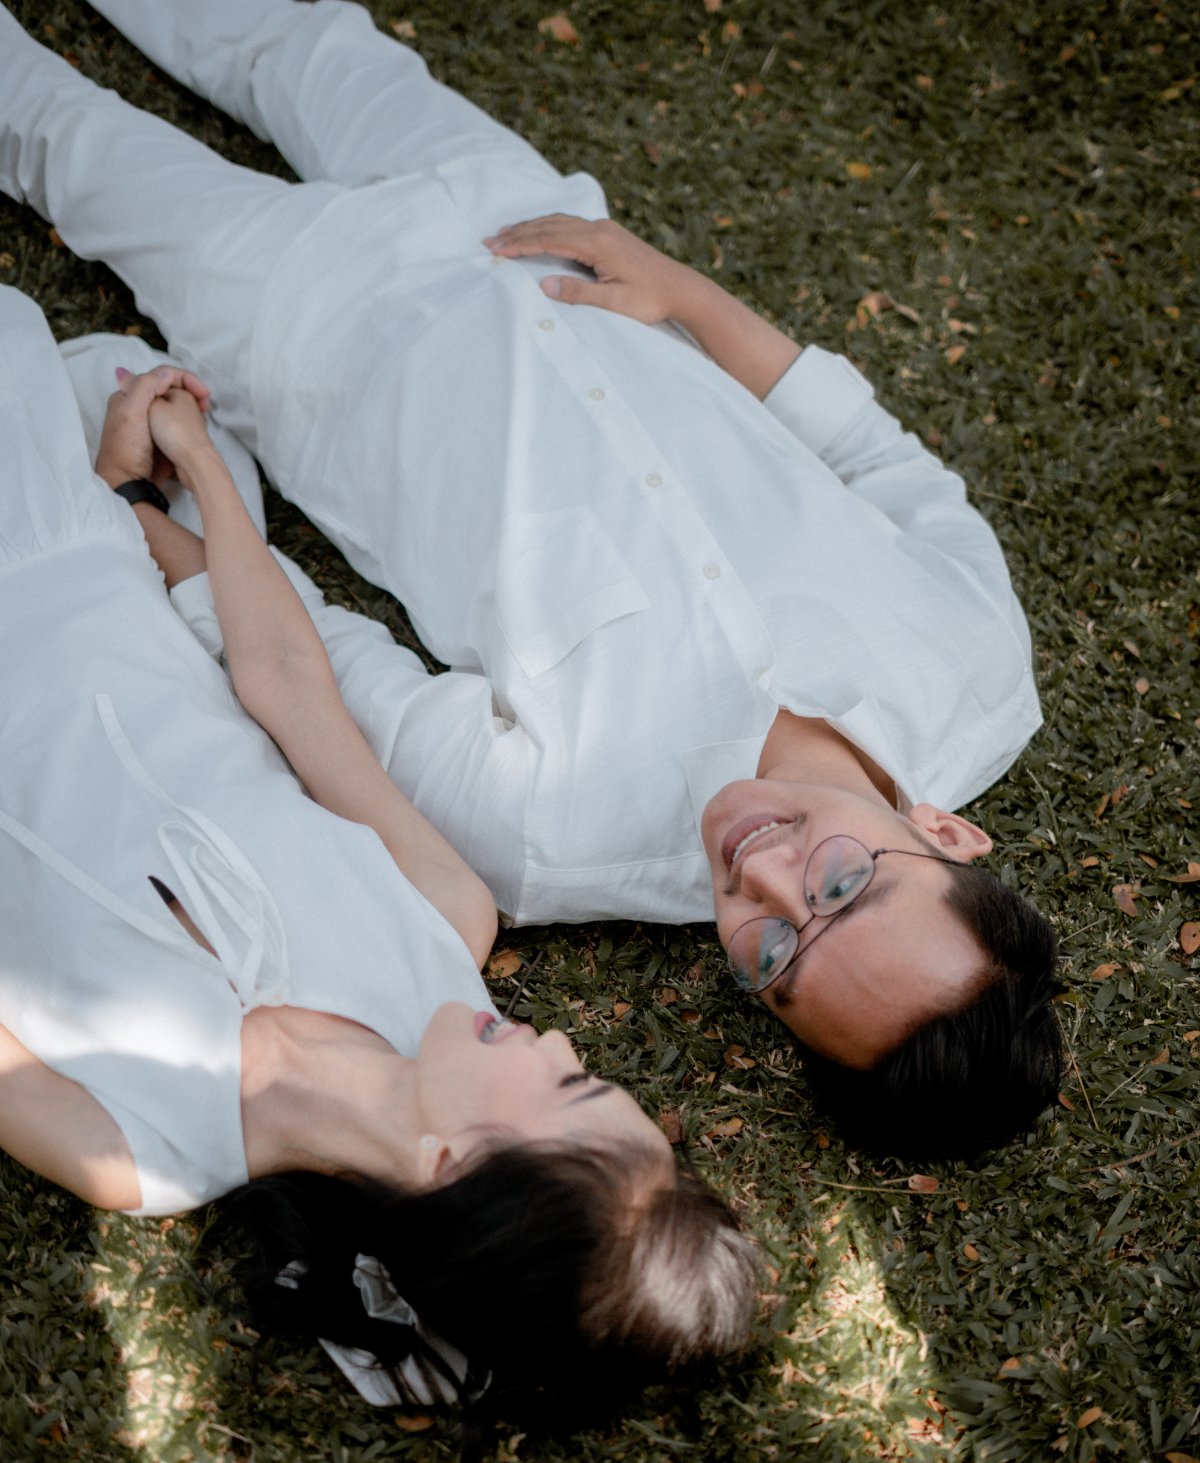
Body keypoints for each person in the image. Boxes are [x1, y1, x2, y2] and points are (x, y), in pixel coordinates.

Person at [0, 0, 1062, 1157]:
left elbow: (318, 658)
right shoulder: (976, 664)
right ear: (949, 837)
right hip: (530, 229)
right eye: (846, 884)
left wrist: (140, 510)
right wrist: (682, 292)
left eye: (771, 953)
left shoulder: (553, 842)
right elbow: (865, 450)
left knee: (59, 132)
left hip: (311, 332)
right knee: (299, 41)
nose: (761, 874)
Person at [0, 285, 756, 1418]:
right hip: (57, 533)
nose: (557, 1036)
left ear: (453, 1166)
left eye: (571, 1082)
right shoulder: (445, 920)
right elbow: (289, 689)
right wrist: (184, 471)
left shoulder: (136, 1147)